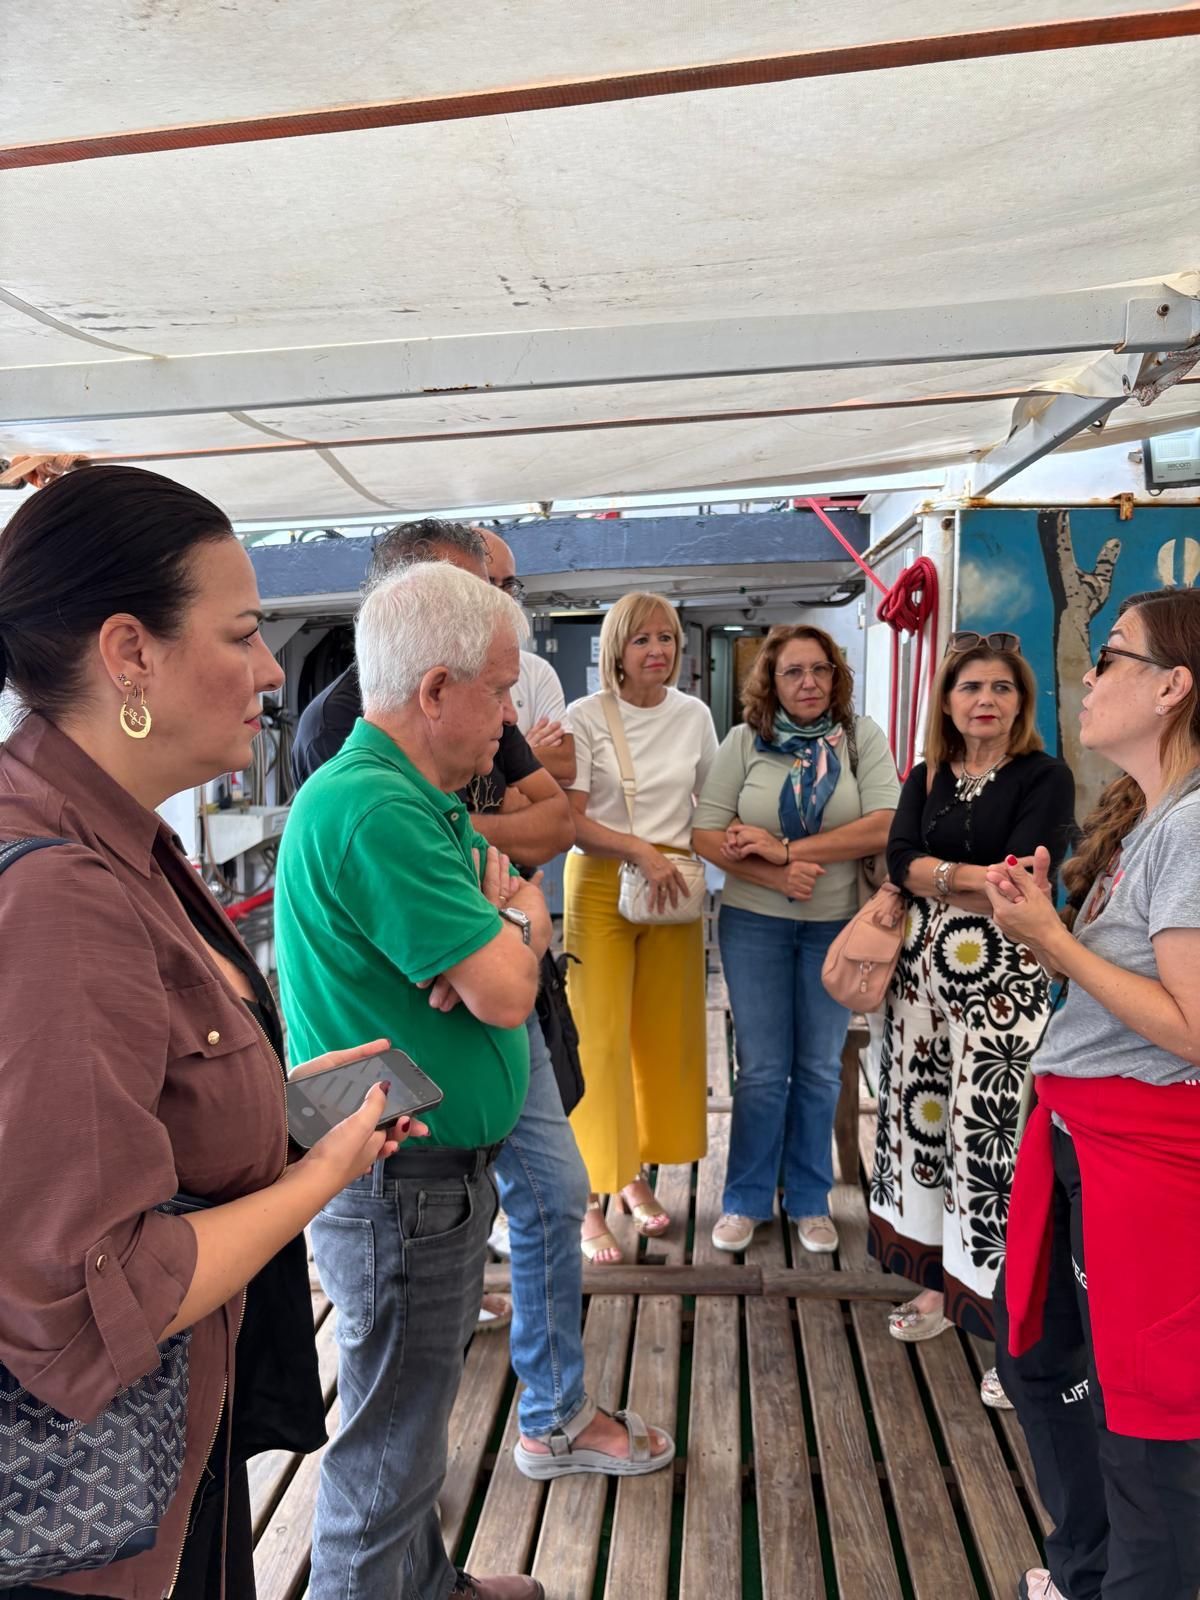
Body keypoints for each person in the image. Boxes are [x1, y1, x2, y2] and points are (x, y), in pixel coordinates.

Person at [0, 461, 416, 1600]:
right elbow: (88, 1294)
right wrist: (320, 1170)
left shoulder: (106, 834)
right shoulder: (61, 888)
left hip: (166, 1456)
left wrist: (276, 1101)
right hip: (87, 1520)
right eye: (240, 634)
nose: (273, 669)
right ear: (129, 651)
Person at [290, 526, 673, 1495]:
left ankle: (430, 1567)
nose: (512, 714)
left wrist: (504, 916)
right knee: (387, 1445)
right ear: (433, 686)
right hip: (397, 1169)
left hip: (423, 1155)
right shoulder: (380, 801)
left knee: (411, 1429)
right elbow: (505, 986)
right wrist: (505, 924)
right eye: (499, 691)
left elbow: (528, 874)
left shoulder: (428, 788)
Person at [987, 589, 1200, 1600]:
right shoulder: (1155, 817)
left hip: (1148, 1162)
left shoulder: (1193, 828)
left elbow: (1194, 1028)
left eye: (1109, 656)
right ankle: (1089, 1571)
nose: (1086, 672)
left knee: (1148, 1410)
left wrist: (1055, 941)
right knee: (1047, 1356)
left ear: (1173, 685)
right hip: (1090, 1136)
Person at [868, 633, 1075, 1407]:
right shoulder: (927, 774)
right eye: (969, 687)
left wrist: (939, 877)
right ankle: (936, 1288)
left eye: (1001, 688)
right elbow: (897, 857)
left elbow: (1019, 878)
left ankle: (1005, 1328)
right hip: (921, 977)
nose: (985, 700)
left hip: (1003, 982)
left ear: (1021, 702)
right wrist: (959, 877)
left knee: (993, 1144)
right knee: (924, 1128)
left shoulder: (1043, 777)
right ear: (947, 701)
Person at [693, 623, 900, 1255]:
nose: (808, 682)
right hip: (754, 923)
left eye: (820, 670)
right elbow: (705, 833)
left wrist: (787, 848)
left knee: (817, 1068)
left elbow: (884, 823)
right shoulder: (743, 743)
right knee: (760, 1070)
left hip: (839, 929)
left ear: (836, 677)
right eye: (793, 672)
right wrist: (776, 874)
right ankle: (746, 1199)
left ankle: (811, 1199)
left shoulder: (862, 739)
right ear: (771, 682)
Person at [564, 592, 718, 1263]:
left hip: (674, 887)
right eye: (642, 640)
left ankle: (630, 1177)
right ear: (615, 651)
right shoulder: (584, 716)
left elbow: (711, 808)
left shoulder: (695, 716)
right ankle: (587, 1200)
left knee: (656, 1039)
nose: (658, 651)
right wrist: (640, 851)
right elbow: (572, 821)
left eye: (668, 638)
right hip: (603, 882)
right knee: (595, 1043)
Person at [477, 527, 576, 786]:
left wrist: (504, 763)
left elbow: (565, 765)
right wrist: (522, 759)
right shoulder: (443, 672)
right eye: (487, 584)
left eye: (508, 585)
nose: (510, 716)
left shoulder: (536, 671)